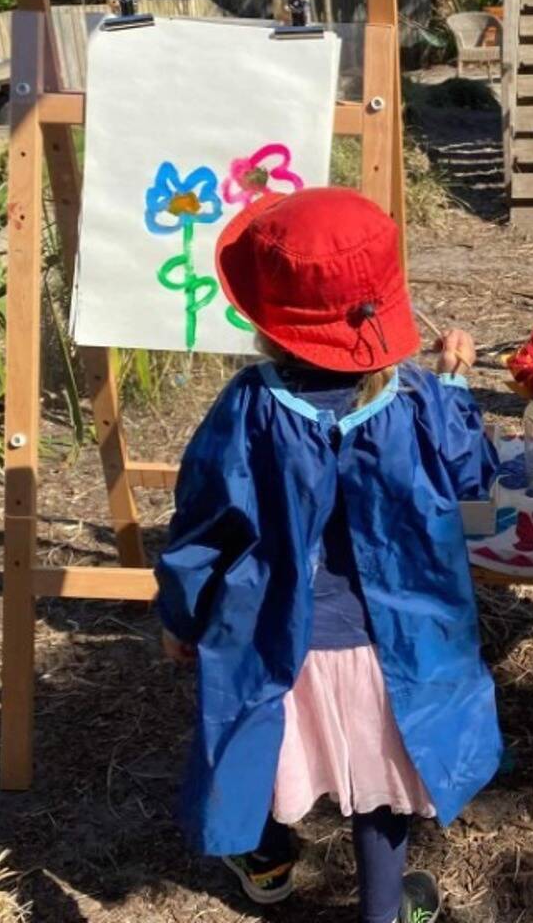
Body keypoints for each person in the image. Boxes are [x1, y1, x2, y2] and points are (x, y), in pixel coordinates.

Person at [155, 186, 502, 923]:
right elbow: (474, 477)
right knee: (380, 788)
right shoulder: (419, 401)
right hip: (393, 646)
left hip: (276, 644)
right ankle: (384, 910)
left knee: (261, 748)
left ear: (269, 318)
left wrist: (183, 618)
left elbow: (202, 527)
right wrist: (455, 380)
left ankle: (269, 862)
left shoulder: (247, 407)